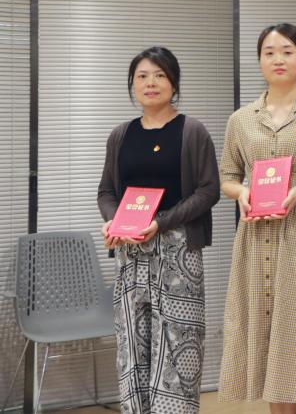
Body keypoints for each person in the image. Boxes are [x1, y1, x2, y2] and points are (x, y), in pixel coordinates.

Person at [218, 23, 296, 414]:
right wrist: (241, 192)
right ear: (259, 61)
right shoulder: (241, 119)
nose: (278, 59)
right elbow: (227, 176)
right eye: (269, 52)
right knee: (269, 330)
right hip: (255, 237)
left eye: (287, 51)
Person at [97, 46, 220, 414]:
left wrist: (161, 223)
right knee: (133, 346)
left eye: (160, 75)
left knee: (180, 342)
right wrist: (112, 221)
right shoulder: (121, 135)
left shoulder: (192, 131)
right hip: (131, 254)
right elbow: (106, 192)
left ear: (174, 83)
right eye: (142, 76)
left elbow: (208, 190)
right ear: (132, 84)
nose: (151, 83)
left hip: (178, 257)